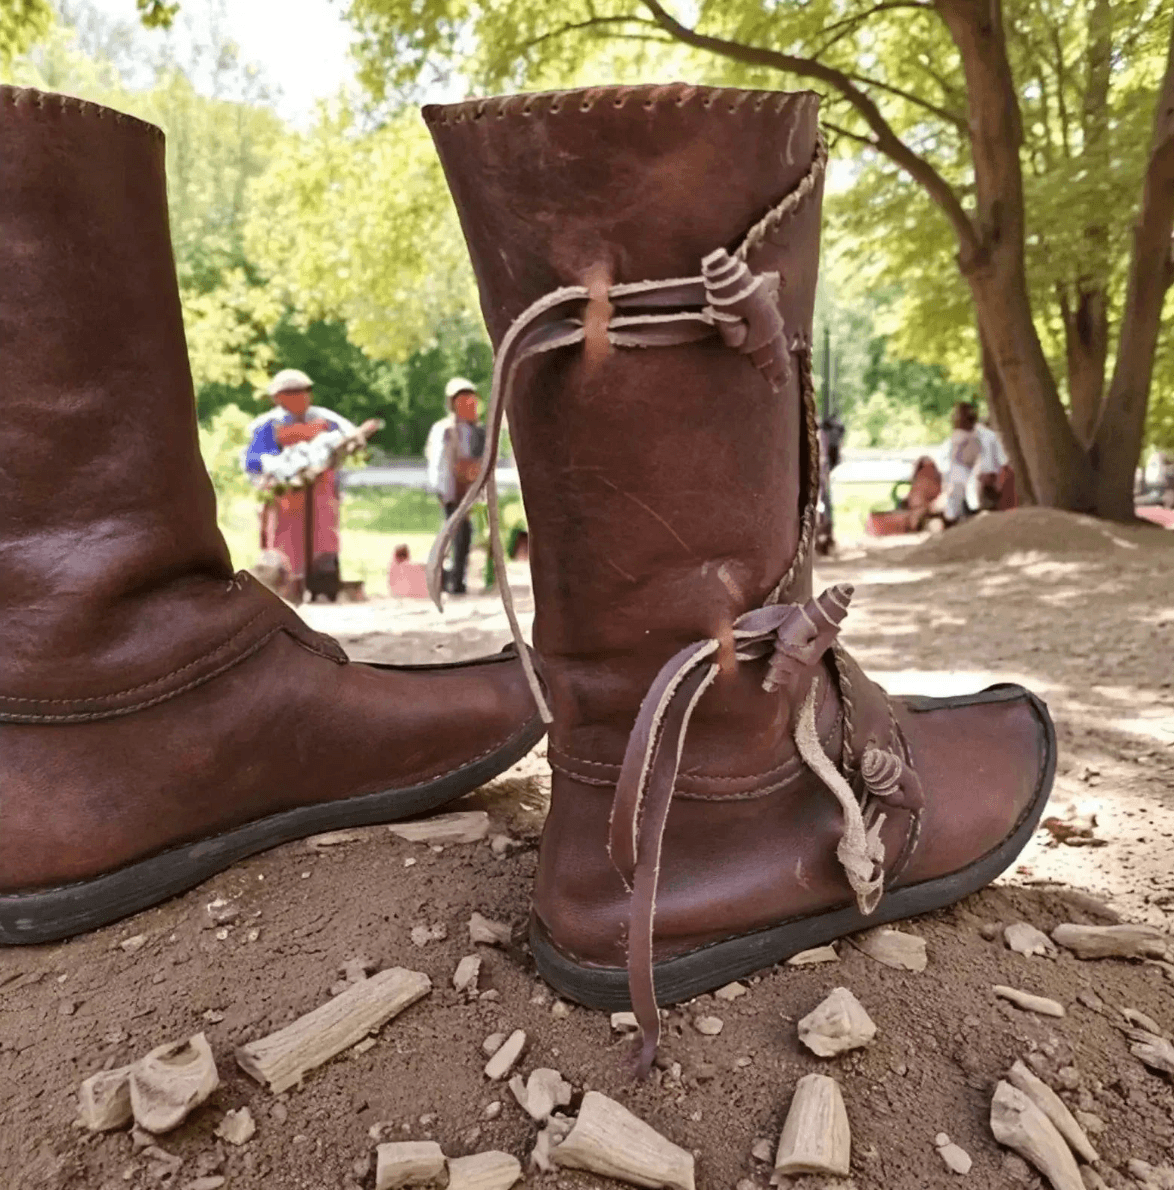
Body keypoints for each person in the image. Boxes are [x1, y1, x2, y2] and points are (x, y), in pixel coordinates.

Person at [242, 368, 356, 597]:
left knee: (324, 541)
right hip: (285, 499)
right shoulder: (267, 425)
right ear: (277, 398)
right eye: (290, 393)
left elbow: (352, 442)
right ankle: (285, 588)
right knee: (285, 543)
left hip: (321, 496)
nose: (298, 397)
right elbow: (252, 460)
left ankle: (324, 589)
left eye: (302, 392)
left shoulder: (328, 421)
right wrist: (276, 467)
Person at [425, 377, 487, 594]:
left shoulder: (478, 431)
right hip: (452, 490)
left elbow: (482, 460)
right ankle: (448, 580)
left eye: (471, 401)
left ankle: (457, 580)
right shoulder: (445, 430)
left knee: (466, 535)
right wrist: (444, 490)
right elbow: (439, 463)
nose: (469, 405)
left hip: (469, 490)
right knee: (455, 535)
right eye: (463, 401)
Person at [934, 401, 982, 524]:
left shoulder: (972, 437)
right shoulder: (959, 437)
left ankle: (954, 514)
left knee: (959, 484)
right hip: (959, 472)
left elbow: (966, 458)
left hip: (966, 471)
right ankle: (953, 514)